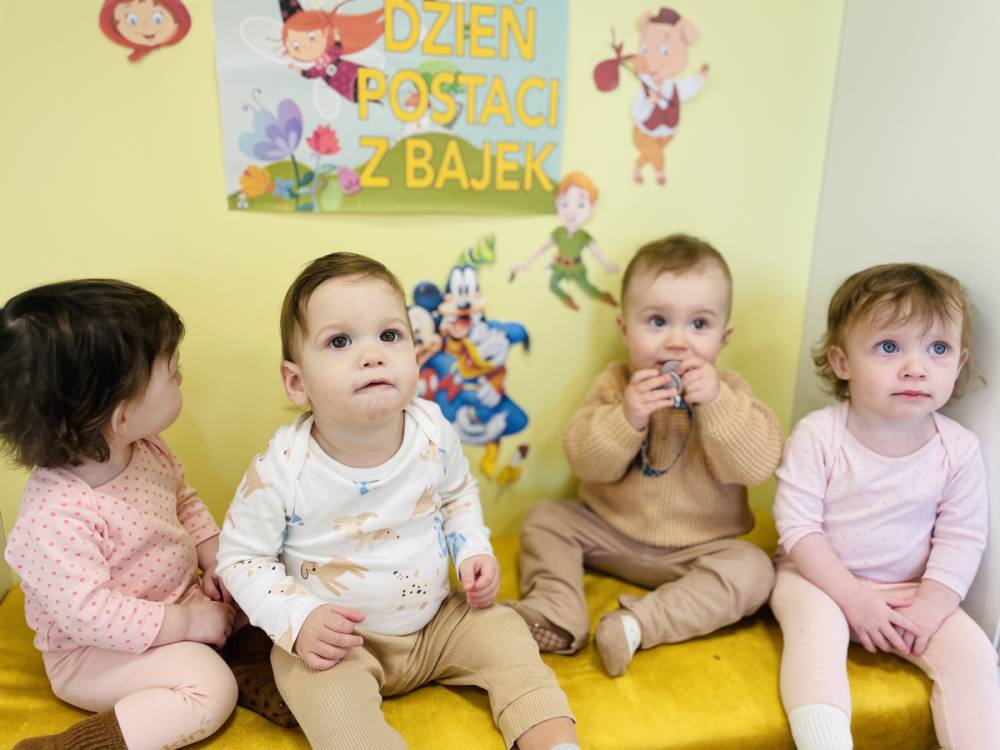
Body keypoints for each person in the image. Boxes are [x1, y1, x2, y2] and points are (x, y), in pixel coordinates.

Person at [217, 252, 578, 750]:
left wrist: (472, 550)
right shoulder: (283, 467)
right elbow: (241, 558)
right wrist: (297, 620)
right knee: (314, 685)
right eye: (340, 341)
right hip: (339, 642)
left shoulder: (433, 429)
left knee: (505, 632)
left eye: (390, 335)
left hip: (437, 623)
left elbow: (457, 495)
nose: (372, 354)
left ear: (416, 354)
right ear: (297, 382)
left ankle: (552, 739)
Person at [512, 234, 781, 676]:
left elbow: (755, 466)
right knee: (546, 518)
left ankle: (636, 624)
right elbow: (584, 461)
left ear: (723, 337)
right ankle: (557, 612)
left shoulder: (730, 391)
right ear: (625, 329)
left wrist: (715, 403)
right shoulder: (617, 384)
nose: (677, 342)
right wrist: (628, 416)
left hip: (698, 549)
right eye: (657, 321)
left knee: (754, 571)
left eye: (699, 325)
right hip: (609, 532)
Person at [770, 263, 1000, 750]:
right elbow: (799, 529)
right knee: (816, 634)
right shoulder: (820, 434)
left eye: (938, 349)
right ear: (842, 362)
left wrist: (933, 603)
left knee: (975, 654)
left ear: (959, 363)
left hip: (909, 588)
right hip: (817, 578)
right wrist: (852, 598)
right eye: (890, 347)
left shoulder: (957, 448)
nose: (916, 367)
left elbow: (961, 538)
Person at [1, 280, 237, 749]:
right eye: (173, 371)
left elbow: (182, 500)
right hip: (95, 653)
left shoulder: (145, 447)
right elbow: (92, 616)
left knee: (265, 593)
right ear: (120, 414)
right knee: (210, 687)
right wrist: (188, 625)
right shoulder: (56, 516)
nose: (181, 378)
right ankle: (72, 746)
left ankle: (242, 651)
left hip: (175, 603)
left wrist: (216, 559)